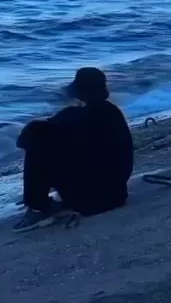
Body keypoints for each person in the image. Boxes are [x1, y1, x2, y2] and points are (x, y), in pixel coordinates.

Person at [13, 67, 134, 233]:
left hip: (87, 199)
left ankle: (37, 207)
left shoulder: (72, 115)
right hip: (115, 193)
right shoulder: (113, 112)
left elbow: (23, 140)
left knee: (38, 141)